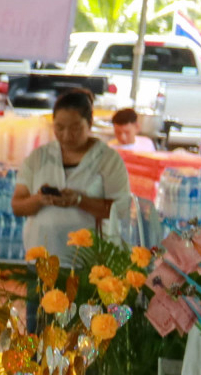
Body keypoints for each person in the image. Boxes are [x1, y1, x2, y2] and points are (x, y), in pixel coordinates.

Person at [11, 88, 130, 268]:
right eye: (59, 128)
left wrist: (80, 200)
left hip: (90, 265)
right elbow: (18, 206)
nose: (66, 135)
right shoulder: (38, 157)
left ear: (89, 123)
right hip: (42, 260)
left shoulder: (108, 159)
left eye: (75, 128)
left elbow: (120, 210)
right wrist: (39, 199)